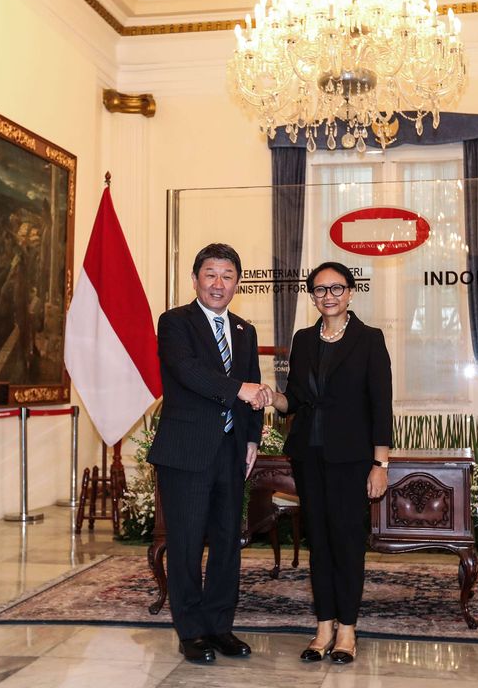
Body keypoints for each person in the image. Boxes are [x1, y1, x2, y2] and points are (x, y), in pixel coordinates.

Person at [147, 242, 269, 664]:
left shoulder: (244, 331)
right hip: (185, 453)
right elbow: (188, 371)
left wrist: (252, 438)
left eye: (228, 276)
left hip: (232, 453)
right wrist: (239, 389)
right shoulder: (175, 323)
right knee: (184, 545)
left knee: (226, 543)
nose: (219, 284)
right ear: (196, 278)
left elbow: (254, 387)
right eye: (211, 275)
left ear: (238, 283)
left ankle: (220, 626)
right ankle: (191, 631)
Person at [270, 261, 392, 665]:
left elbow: (381, 405)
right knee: (318, 544)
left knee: (347, 542)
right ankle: (322, 627)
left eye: (336, 288)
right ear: (313, 296)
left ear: (351, 292)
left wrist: (380, 463)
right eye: (320, 290)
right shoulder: (304, 340)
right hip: (310, 456)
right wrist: (272, 398)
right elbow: (295, 399)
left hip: (352, 459)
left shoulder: (369, 339)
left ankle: (347, 630)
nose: (329, 296)